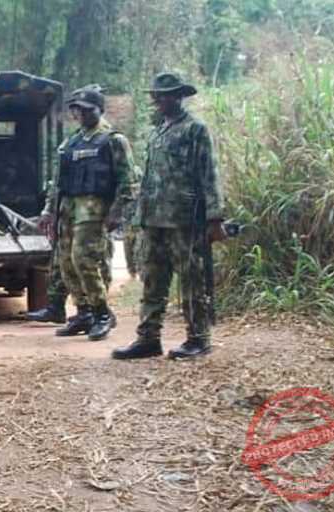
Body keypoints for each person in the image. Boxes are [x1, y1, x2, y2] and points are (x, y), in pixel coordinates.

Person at [112, 72, 226, 361]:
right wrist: (138, 214)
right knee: (153, 279)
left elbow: (208, 173)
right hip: (153, 218)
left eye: (165, 95)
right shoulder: (158, 130)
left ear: (178, 96)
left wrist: (215, 218)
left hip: (184, 219)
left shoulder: (195, 129)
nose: (159, 101)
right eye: (157, 96)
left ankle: (198, 338)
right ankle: (148, 338)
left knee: (191, 280)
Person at [42, 86, 133, 341]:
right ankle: (84, 312)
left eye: (86, 109)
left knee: (84, 259)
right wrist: (49, 211)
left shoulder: (112, 140)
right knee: (67, 261)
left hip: (94, 209)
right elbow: (57, 181)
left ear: (99, 109)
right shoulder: (72, 141)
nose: (80, 114)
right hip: (68, 209)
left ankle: (102, 312)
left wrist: (116, 212)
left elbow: (128, 182)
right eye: (76, 110)